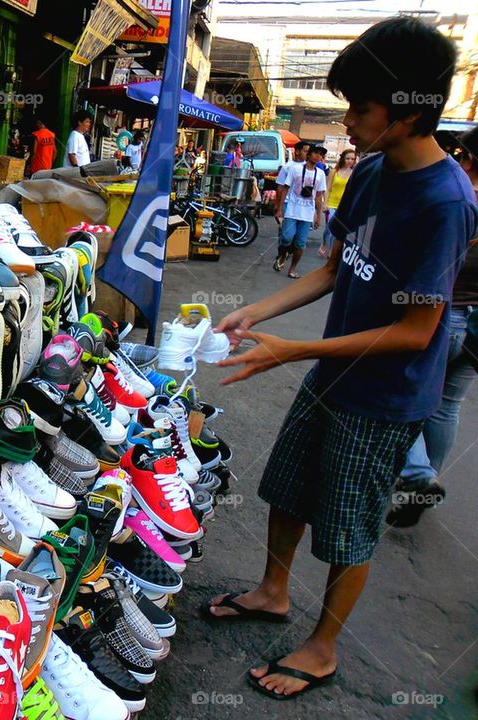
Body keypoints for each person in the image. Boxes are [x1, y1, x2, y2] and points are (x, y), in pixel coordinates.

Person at [205, 17, 478, 702]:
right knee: (288, 487)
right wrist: (257, 313)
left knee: (350, 524)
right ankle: (273, 590)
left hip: (385, 398)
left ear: (409, 111)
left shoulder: (447, 203)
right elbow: (334, 267)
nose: (346, 122)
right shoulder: (374, 172)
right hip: (333, 374)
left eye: (359, 108)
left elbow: (419, 332)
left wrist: (293, 351)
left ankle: (323, 647)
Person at [389, 124, 478, 527]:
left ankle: (419, 476)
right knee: (446, 408)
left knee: (405, 396)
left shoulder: (458, 197)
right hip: (476, 327)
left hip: (445, 317)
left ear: (468, 157)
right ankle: (421, 486)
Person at [273, 145, 326, 279]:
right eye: (316, 153)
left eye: (321, 155)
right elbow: (285, 188)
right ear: (309, 155)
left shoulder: (320, 174)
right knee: (287, 237)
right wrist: (279, 208)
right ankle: (283, 253)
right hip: (292, 210)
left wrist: (318, 216)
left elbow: (319, 196)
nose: (318, 156)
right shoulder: (295, 169)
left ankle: (292, 268)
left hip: (307, 213)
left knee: (300, 243)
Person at [318, 148, 356, 257]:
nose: (350, 161)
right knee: (329, 228)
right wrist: (325, 203)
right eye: (348, 158)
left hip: (344, 206)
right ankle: (324, 244)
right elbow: (328, 188)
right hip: (331, 204)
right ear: (343, 159)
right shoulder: (334, 172)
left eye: (352, 159)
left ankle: (332, 252)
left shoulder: (354, 174)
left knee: (338, 230)